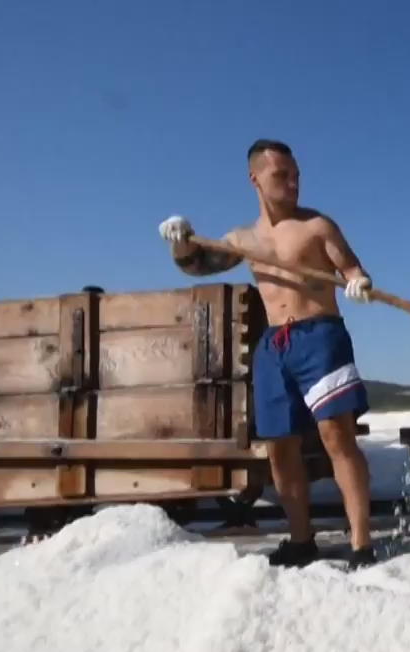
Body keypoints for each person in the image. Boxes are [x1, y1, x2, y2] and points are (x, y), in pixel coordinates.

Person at [159, 139, 377, 569]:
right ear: (255, 178)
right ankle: (301, 540)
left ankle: (361, 543)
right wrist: (180, 242)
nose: (294, 182)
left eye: (296, 174)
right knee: (279, 447)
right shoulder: (242, 239)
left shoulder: (317, 226)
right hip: (275, 347)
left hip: (321, 337)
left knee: (338, 437)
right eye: (283, 175)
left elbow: (352, 268)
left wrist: (359, 283)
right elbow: (198, 263)